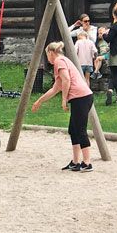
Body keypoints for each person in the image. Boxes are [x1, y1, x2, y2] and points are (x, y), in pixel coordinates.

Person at [31, 41, 94, 172]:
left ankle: (87, 163)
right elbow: (55, 88)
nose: (47, 58)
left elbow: (66, 80)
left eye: (46, 54)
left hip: (81, 97)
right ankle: (75, 162)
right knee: (73, 129)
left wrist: (64, 100)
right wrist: (39, 101)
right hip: (80, 98)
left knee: (80, 130)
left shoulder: (59, 61)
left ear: (51, 53)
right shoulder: (61, 61)